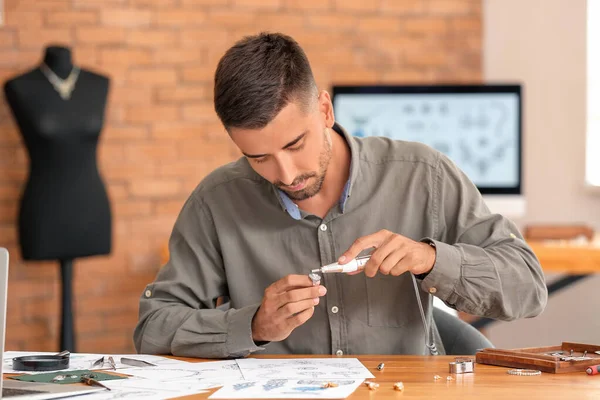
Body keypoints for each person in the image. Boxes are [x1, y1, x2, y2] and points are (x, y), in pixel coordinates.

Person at [133, 32, 547, 358]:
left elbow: (527, 287)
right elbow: (154, 326)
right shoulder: (217, 200)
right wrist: (254, 325)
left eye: (296, 145)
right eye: (259, 158)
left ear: (326, 111)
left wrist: (431, 259)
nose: (287, 174)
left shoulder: (424, 176)